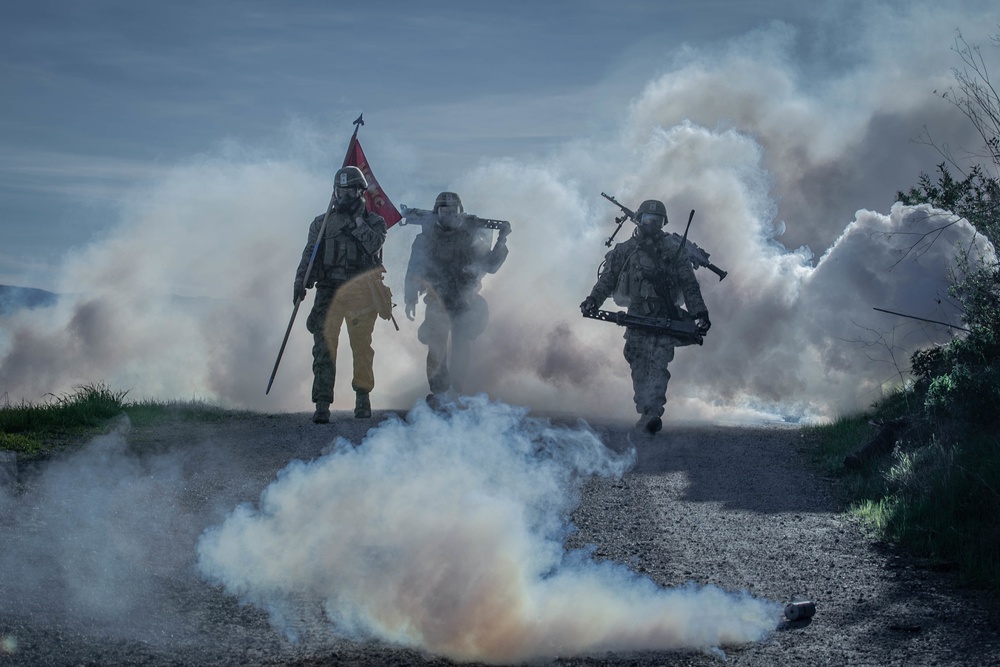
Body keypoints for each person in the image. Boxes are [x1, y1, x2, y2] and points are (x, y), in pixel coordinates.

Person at [580, 199, 710, 434]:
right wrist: (592, 300)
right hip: (637, 315)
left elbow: (690, 285)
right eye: (648, 220)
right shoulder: (624, 250)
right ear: (639, 220)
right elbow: (607, 280)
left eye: (657, 221)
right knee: (637, 362)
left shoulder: (674, 251)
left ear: (663, 223)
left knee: (659, 363)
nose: (652, 225)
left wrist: (700, 313)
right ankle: (644, 409)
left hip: (666, 316)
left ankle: (653, 412)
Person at [293, 166, 387, 423]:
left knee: (361, 347)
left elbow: (373, 244)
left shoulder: (374, 222)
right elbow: (309, 255)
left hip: (361, 291)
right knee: (324, 346)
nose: (344, 196)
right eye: (340, 191)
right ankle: (322, 402)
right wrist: (300, 282)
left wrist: (358, 222)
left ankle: (362, 398)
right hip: (328, 290)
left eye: (350, 191)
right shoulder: (321, 223)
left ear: (360, 192)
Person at [403, 192, 511, 404]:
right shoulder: (425, 239)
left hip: (464, 299)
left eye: (453, 211)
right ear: (437, 213)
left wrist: (501, 240)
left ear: (460, 212)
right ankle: (439, 392)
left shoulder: (471, 238)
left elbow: (490, 266)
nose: (449, 215)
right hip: (437, 298)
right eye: (444, 211)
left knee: (461, 346)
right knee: (436, 342)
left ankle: (455, 391)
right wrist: (410, 297)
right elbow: (414, 269)